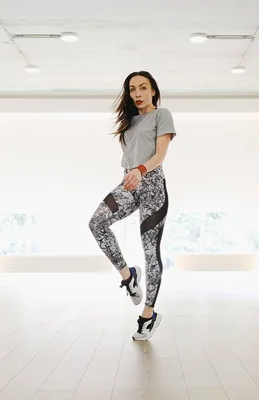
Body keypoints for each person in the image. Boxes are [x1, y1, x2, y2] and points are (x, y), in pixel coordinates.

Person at [89, 71, 176, 341]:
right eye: (132, 89)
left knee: (151, 252)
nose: (137, 93)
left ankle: (148, 316)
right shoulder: (128, 122)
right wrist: (132, 174)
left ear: (153, 91)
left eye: (142, 88)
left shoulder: (162, 115)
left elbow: (160, 155)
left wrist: (140, 170)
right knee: (97, 222)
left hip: (151, 186)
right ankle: (128, 277)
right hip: (129, 183)